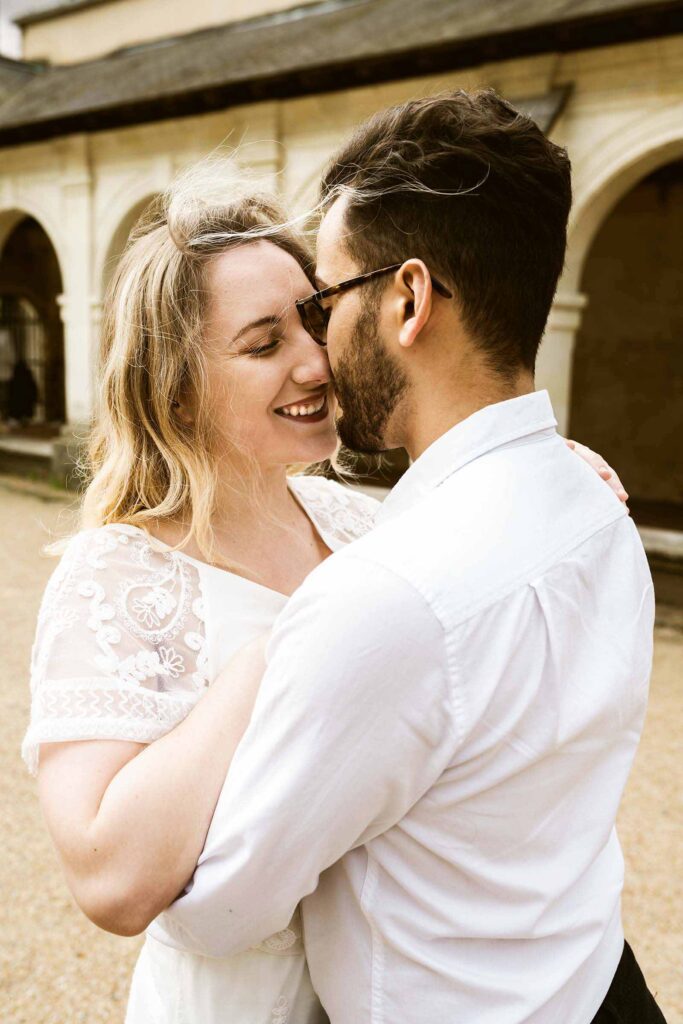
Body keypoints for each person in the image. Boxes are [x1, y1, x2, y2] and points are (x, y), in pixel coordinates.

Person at [25, 141, 626, 1021]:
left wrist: (530, 469)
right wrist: (282, 650)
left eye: (314, 319)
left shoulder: (354, 519)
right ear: (177, 388)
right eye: (263, 344)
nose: (316, 360)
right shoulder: (114, 574)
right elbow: (107, 882)